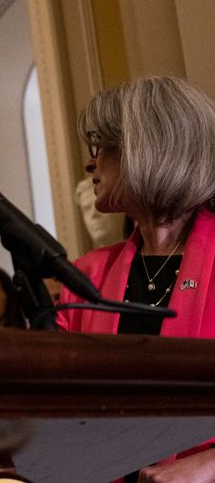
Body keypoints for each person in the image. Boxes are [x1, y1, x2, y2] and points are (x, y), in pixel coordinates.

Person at [57, 76, 215, 482]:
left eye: (105, 148)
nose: (91, 163)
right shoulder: (85, 275)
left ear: (154, 149)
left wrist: (208, 466)